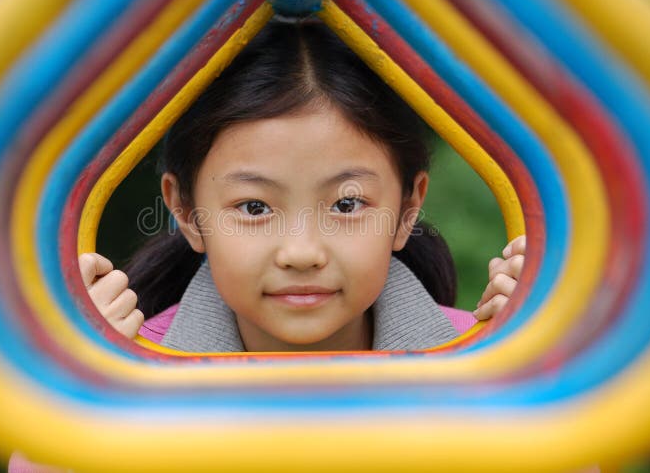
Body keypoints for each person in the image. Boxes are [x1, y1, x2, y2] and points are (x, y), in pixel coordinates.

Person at [79, 20, 526, 352]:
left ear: (408, 209)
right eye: (254, 207)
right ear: (187, 213)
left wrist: (531, 378)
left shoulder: (483, 354)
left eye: (347, 204)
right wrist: (81, 396)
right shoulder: (126, 366)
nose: (301, 252)